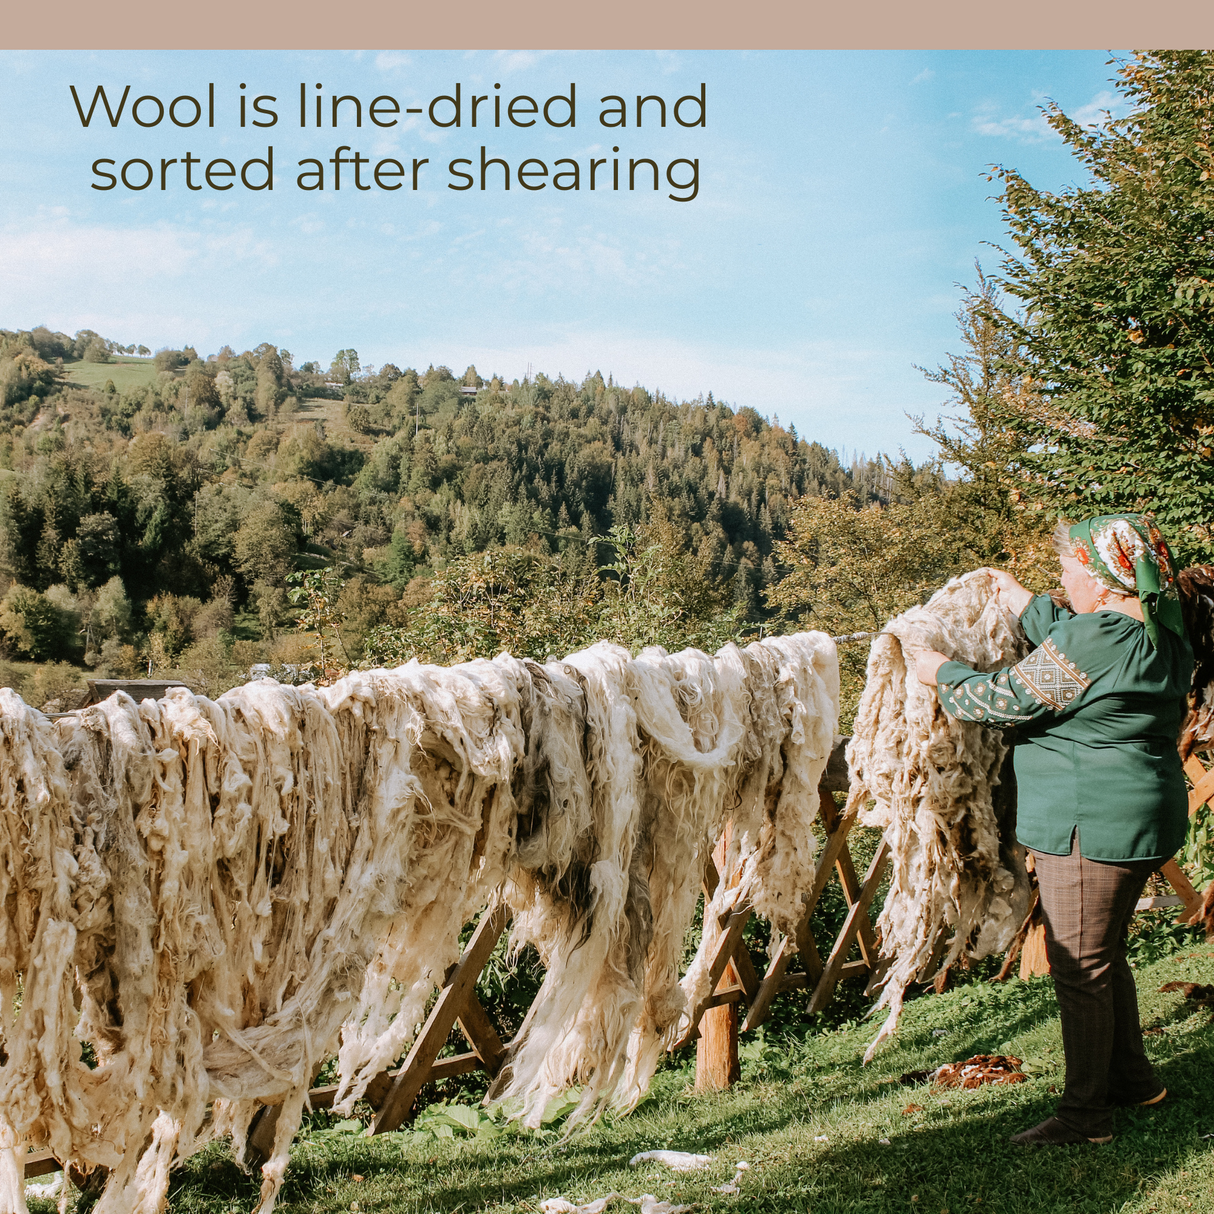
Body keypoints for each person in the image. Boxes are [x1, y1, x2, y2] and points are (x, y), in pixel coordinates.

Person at [914, 514, 1193, 1146]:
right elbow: (1081, 644)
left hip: (1089, 819)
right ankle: (1132, 1078)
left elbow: (1006, 698)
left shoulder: (1097, 638)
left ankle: (1085, 1115)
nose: (1063, 582)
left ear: (1101, 577)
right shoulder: (1159, 625)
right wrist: (1022, 600)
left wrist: (939, 672)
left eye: (1069, 571)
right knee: (1105, 949)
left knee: (1081, 963)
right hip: (1142, 809)